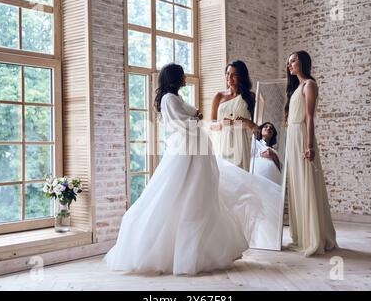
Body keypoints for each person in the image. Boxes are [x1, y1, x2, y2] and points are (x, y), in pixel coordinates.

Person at [104, 63, 280, 275]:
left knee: (201, 195)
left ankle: (202, 249)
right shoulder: (169, 99)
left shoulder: (176, 98)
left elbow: (191, 116)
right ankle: (177, 252)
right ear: (174, 78)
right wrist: (196, 118)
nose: (186, 78)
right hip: (186, 150)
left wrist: (196, 116)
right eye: (182, 76)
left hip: (196, 148)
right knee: (181, 192)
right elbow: (180, 123)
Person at [285, 50, 338, 256]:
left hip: (301, 137)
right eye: (289, 62)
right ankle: (302, 235)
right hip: (292, 137)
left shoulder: (309, 85)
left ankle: (314, 236)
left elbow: (309, 117)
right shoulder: (295, 88)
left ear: (303, 63)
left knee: (306, 183)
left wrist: (309, 146)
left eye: (294, 61)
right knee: (297, 185)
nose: (290, 65)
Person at [211, 60, 255, 171]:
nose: (229, 77)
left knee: (241, 178)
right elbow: (211, 126)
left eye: (234, 74)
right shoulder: (219, 96)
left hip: (241, 142)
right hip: (222, 142)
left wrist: (246, 121)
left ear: (242, 76)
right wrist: (223, 123)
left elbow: (256, 127)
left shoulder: (250, 97)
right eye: (227, 74)